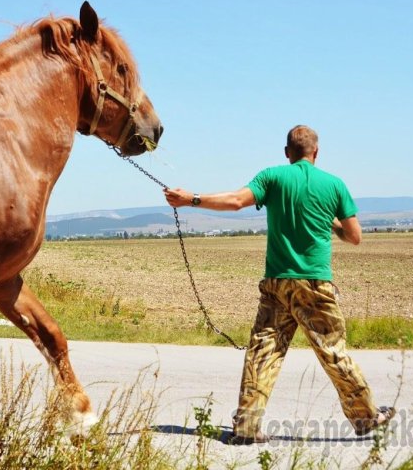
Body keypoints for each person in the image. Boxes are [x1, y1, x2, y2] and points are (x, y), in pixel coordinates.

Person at [164, 125, 394, 444]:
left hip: (276, 283)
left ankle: (246, 425)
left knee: (264, 350)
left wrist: (190, 199)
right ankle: (366, 418)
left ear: (287, 153)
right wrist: (330, 220)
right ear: (316, 153)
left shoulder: (272, 177)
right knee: (332, 351)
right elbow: (355, 237)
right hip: (314, 284)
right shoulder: (334, 185)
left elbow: (234, 202)